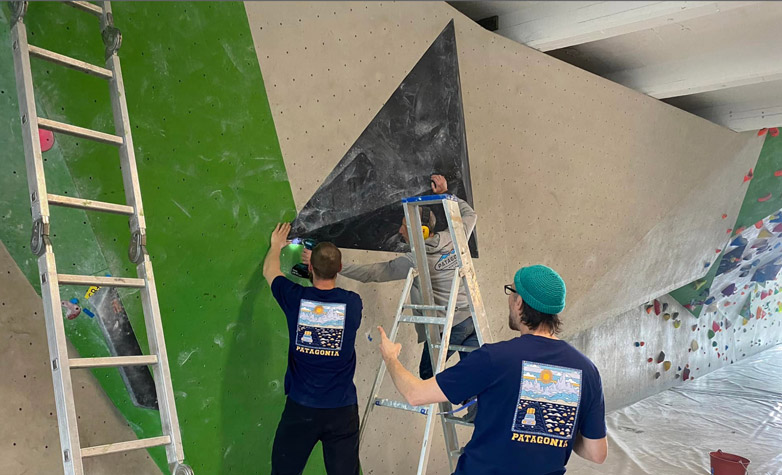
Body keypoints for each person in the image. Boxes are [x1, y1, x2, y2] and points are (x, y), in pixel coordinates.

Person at [377, 265, 607, 475]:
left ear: (519, 303)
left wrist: (390, 358)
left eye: (511, 292)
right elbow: (597, 453)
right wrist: (553, 429)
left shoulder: (494, 358)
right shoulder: (586, 370)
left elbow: (415, 394)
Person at [303, 174, 478, 385]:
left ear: (419, 231)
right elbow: (470, 214)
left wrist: (335, 266)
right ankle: (472, 407)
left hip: (448, 327)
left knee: (427, 374)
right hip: (471, 317)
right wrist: (445, 195)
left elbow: (373, 273)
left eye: (404, 225)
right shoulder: (455, 237)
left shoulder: (416, 261)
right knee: (475, 374)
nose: (399, 230)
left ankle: (459, 393)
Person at [263, 223, 363, 475]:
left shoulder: (295, 298)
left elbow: (270, 271)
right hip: (342, 411)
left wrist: (276, 246)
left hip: (302, 409)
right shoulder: (353, 303)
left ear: (309, 268)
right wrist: (316, 270)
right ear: (340, 269)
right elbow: (326, 294)